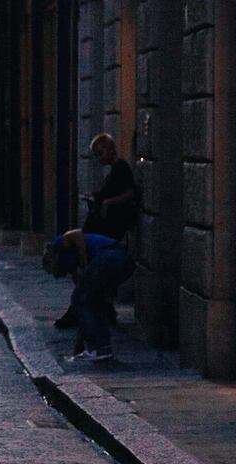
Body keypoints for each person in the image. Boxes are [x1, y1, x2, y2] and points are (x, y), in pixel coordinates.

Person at [56, 133, 137, 329]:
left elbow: (129, 193)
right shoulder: (114, 169)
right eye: (96, 155)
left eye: (100, 153)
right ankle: (99, 307)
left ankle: (85, 307)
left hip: (109, 228)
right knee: (95, 269)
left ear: (110, 149)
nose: (99, 158)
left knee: (92, 267)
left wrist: (107, 202)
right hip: (104, 227)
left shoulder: (121, 167)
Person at [43, 228, 135, 362]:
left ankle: (99, 346)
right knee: (92, 302)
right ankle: (102, 349)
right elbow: (81, 308)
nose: (57, 276)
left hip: (110, 256)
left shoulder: (59, 245)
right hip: (124, 260)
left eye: (52, 270)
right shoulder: (76, 272)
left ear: (53, 258)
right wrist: (79, 343)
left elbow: (77, 233)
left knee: (82, 300)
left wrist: (84, 263)